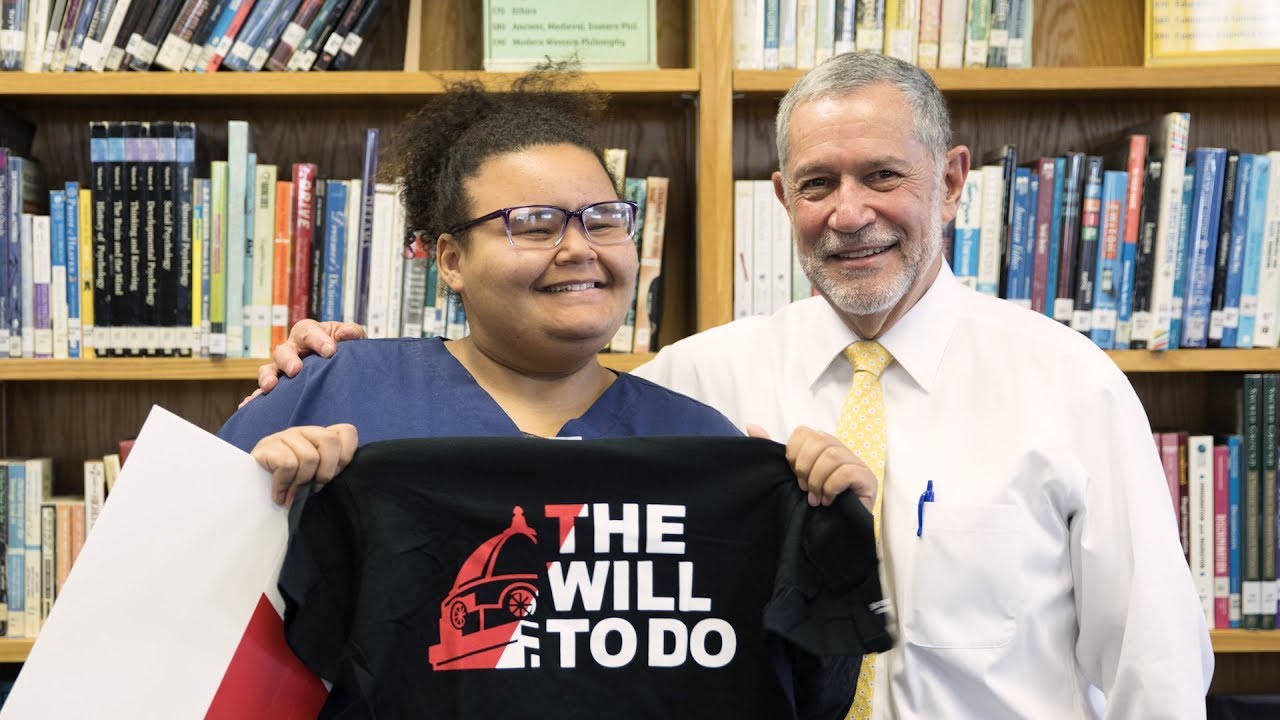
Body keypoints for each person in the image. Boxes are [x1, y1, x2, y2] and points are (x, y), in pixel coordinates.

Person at [257, 52, 1216, 717]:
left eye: (884, 175)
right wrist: (309, 388)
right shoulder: (690, 389)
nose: (850, 214)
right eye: (816, 184)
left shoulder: (1069, 384)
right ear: (782, 198)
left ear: (953, 181)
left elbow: (1153, 667)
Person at [218, 69, 869, 720]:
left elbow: (796, 694)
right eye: (533, 224)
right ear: (450, 259)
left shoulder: (704, 446)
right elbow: (174, 608)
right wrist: (263, 504)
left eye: (604, 219)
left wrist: (831, 538)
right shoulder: (331, 388)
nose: (579, 249)